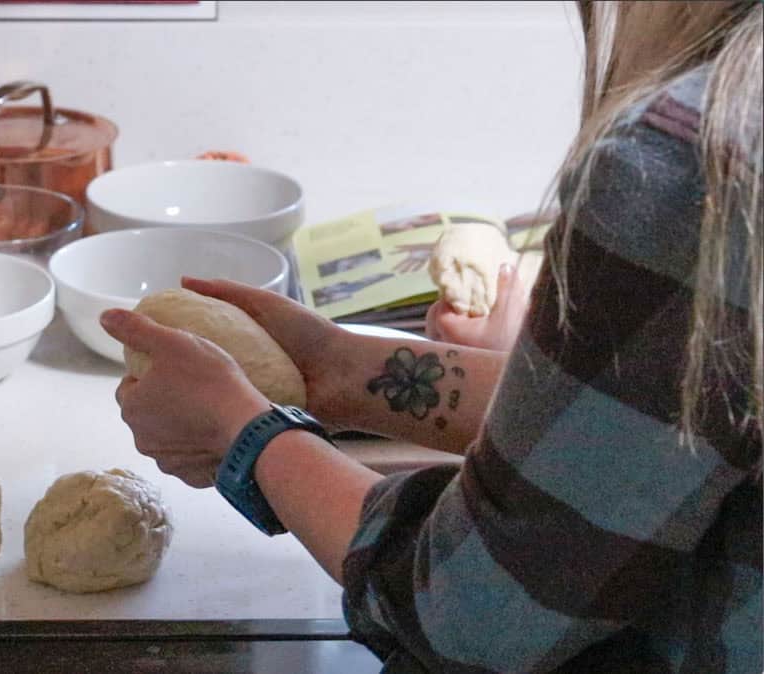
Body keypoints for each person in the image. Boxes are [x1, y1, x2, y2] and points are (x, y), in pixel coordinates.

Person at [100, 1, 762, 671]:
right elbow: (641, 423)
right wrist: (342, 369)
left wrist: (249, 441)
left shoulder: (690, 163)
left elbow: (477, 609)